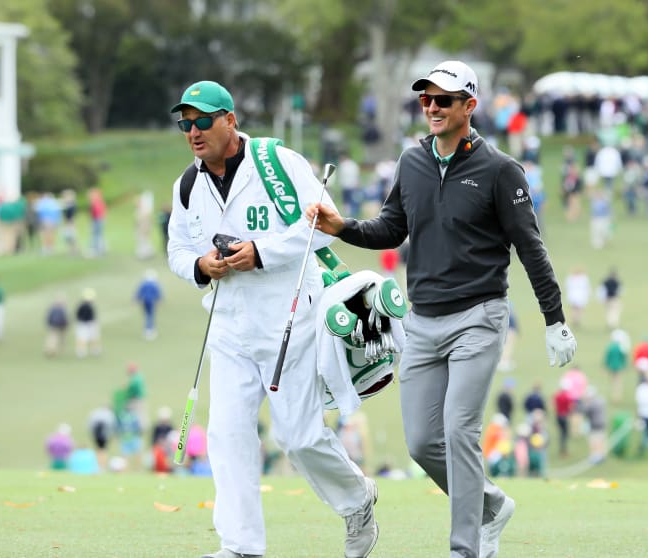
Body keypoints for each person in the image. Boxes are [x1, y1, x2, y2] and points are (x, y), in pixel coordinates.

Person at [307, 61, 576, 558]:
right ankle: (492, 506)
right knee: (423, 442)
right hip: (421, 323)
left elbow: (531, 247)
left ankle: (464, 548)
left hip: (479, 317)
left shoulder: (500, 171)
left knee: (459, 431)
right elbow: (391, 228)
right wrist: (341, 226)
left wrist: (554, 319)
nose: (431, 107)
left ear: (469, 107)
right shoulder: (411, 163)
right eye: (425, 99)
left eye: (443, 100)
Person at [166, 80, 378, 558]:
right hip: (227, 326)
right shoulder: (186, 184)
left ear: (230, 121)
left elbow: (322, 226)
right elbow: (176, 249)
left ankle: (357, 499)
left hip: (290, 321)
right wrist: (201, 266)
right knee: (227, 433)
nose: (194, 131)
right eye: (186, 123)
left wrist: (260, 253)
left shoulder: (277, 163)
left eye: (203, 121)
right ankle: (240, 546)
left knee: (299, 438)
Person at [135, 269, 162, 340]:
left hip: (145, 301)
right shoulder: (154, 284)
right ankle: (150, 329)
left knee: (147, 315)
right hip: (151, 301)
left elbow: (139, 292)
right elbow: (158, 293)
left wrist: (136, 299)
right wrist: (159, 300)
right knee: (150, 315)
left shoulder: (144, 284)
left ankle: (147, 329)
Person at [74, 288, 101, 358]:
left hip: (85, 323)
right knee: (85, 338)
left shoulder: (82, 305)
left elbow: (77, 315)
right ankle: (83, 351)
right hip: (86, 324)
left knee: (90, 338)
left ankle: (87, 350)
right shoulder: (86, 306)